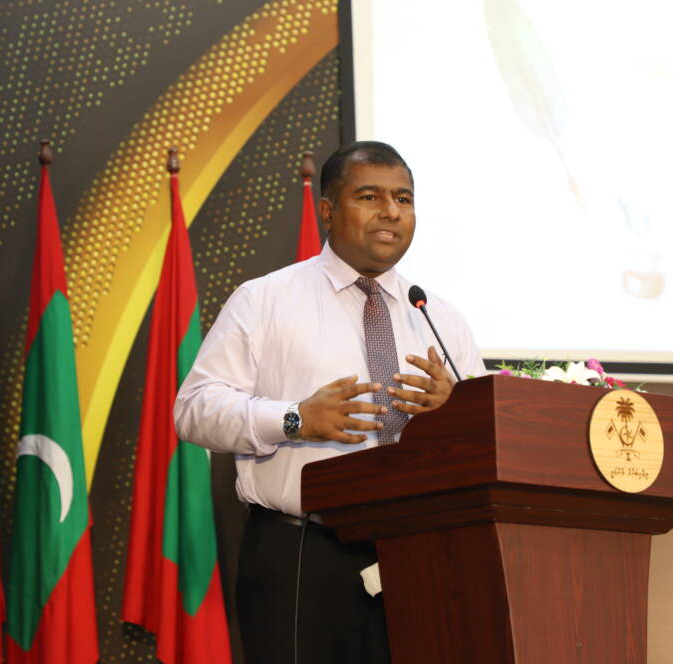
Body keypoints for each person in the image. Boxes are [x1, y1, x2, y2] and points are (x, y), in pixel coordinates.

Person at [174, 141, 484, 664]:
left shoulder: (437, 316)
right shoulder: (266, 300)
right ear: (327, 210)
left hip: (422, 553)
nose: (391, 212)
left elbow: (481, 439)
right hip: (305, 555)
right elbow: (195, 409)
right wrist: (294, 419)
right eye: (369, 196)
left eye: (403, 199)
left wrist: (453, 412)